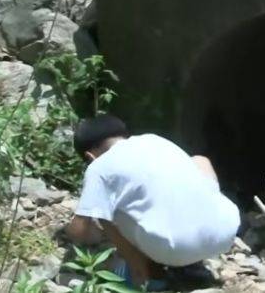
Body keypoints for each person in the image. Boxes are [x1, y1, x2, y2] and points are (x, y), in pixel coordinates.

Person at [64, 114, 240, 290]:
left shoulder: (99, 166)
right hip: (226, 234)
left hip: (174, 250)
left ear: (90, 156)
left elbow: (81, 231)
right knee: (199, 161)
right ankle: (197, 244)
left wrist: (72, 231)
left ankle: (144, 272)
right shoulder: (154, 140)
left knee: (108, 212)